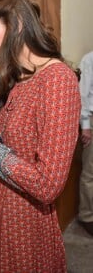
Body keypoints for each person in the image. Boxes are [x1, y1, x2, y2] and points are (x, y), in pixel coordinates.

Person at [0, 0, 81, 272]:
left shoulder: (57, 80)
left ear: (15, 22)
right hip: (4, 206)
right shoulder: (20, 80)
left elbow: (47, 185)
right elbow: (19, 152)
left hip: (27, 222)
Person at [78, 51, 93, 236]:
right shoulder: (89, 59)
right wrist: (86, 126)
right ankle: (87, 216)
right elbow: (82, 94)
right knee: (90, 172)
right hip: (92, 119)